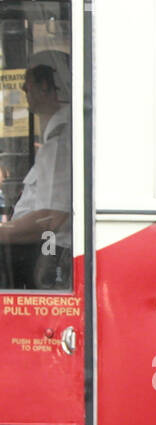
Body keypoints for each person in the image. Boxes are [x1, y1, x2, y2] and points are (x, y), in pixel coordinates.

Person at [0, 51, 72, 287]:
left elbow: (51, 218)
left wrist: (4, 232)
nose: (23, 90)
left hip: (49, 253)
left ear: (44, 86)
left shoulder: (59, 143)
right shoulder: (57, 136)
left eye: (28, 83)